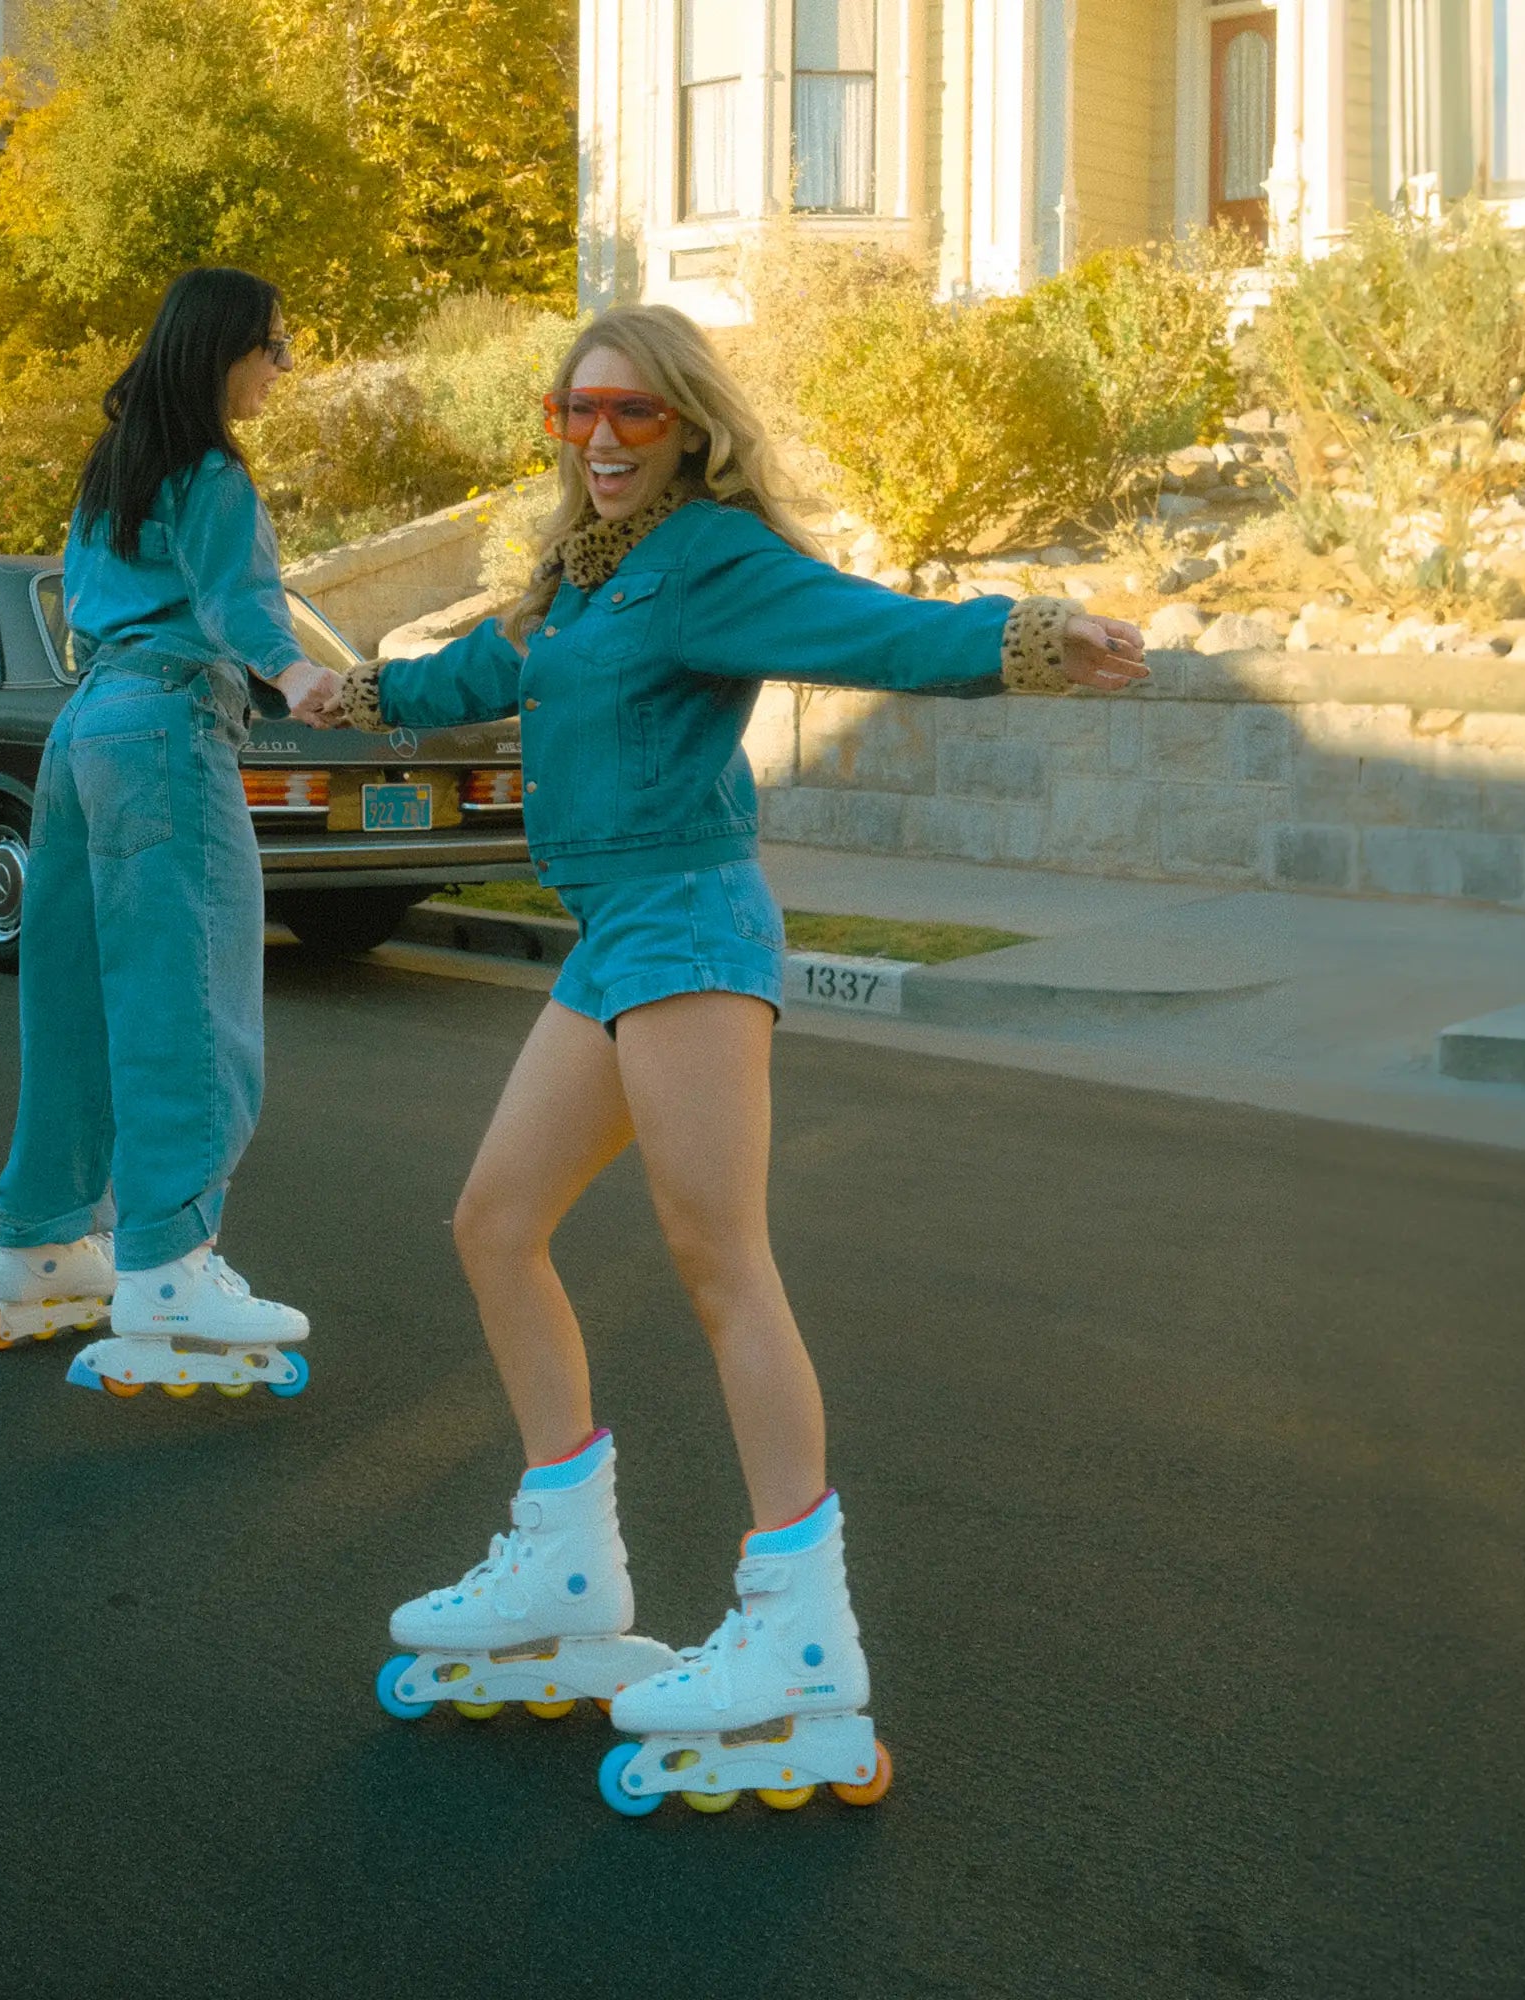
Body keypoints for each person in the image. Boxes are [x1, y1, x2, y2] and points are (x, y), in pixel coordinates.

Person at [305, 303, 1149, 1812]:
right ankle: (566, 1562)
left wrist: (1021, 637)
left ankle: (799, 1631)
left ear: (686, 424)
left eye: (634, 414)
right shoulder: (573, 582)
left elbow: (862, 624)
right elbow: (479, 678)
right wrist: (352, 690)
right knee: (495, 1226)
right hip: (615, 935)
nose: (606, 441)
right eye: (578, 417)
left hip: (690, 924)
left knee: (719, 1263)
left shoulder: (707, 562)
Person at [0, 267, 342, 1403]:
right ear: (223, 350)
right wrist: (291, 670)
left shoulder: (113, 473)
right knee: (194, 1002)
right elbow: (236, 599)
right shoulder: (209, 474)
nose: (281, 368)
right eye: (273, 348)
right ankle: (171, 1263)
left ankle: (44, 1244)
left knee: (78, 1000)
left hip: (83, 731)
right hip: (168, 733)